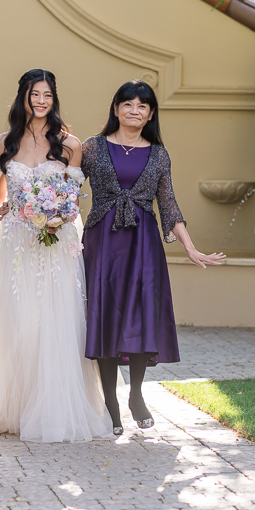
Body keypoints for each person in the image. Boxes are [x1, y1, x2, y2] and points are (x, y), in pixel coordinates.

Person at [0, 69, 113, 442]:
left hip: (57, 242)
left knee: (55, 319)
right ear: (22, 97)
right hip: (15, 242)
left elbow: (73, 199)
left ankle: (55, 410)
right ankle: (11, 408)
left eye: (47, 95)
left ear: (54, 99)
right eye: (34, 94)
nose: (40, 101)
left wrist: (59, 212)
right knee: (18, 319)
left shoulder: (70, 144)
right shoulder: (2, 142)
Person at [81, 80, 225, 433]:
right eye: (127, 104)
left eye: (142, 105)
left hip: (143, 245)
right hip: (101, 242)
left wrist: (190, 247)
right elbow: (67, 185)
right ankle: (111, 404)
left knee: (142, 316)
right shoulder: (92, 147)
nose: (134, 110)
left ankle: (136, 395)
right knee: (106, 317)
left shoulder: (159, 154)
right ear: (115, 109)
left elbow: (169, 204)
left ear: (151, 114)